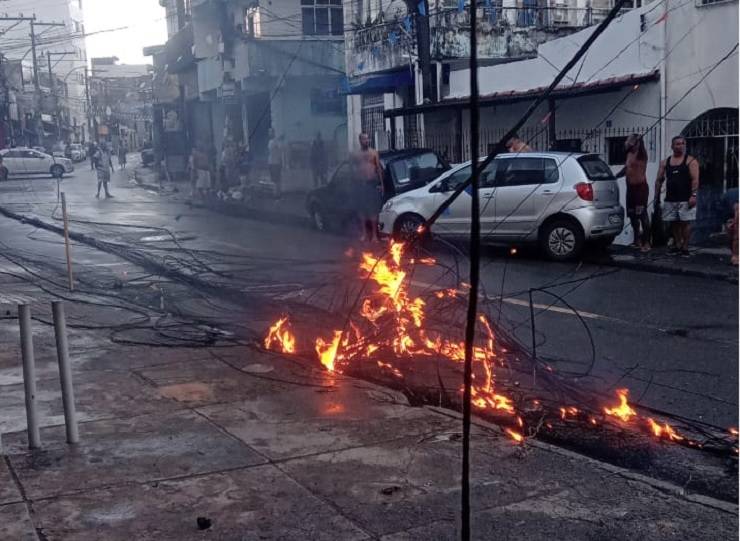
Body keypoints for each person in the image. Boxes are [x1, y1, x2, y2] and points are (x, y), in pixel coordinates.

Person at [655, 136, 700, 257]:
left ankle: (685, 247)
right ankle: (678, 245)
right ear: (672, 146)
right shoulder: (665, 162)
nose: (680, 146)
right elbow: (659, 180)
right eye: (677, 144)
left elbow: (695, 180)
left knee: (685, 223)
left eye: (682, 144)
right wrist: (656, 196)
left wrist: (694, 195)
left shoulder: (690, 161)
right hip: (670, 198)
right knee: (673, 222)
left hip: (686, 198)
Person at [616, 134, 650, 251]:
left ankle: (646, 242)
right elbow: (626, 169)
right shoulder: (629, 154)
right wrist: (615, 176)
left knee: (642, 215)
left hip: (640, 188)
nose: (628, 142)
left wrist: (639, 139)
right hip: (630, 188)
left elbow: (641, 146)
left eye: (630, 141)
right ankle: (637, 241)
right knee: (632, 216)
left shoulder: (642, 154)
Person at [351, 132, 384, 242]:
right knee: (362, 210)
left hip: (372, 185)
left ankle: (374, 235)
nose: (366, 141)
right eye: (363, 139)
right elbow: (353, 169)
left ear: (369, 140)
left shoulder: (374, 153)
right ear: (359, 140)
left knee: (373, 210)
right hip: (360, 185)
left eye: (367, 139)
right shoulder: (355, 154)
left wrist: (381, 184)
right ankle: (364, 234)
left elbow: (378, 168)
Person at [268, 130, 285, 197]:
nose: (269, 134)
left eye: (270, 132)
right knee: (276, 179)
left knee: (276, 179)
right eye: (269, 132)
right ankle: (277, 193)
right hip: (273, 162)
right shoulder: (273, 142)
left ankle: (277, 194)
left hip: (275, 163)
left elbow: (280, 150)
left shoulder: (273, 142)